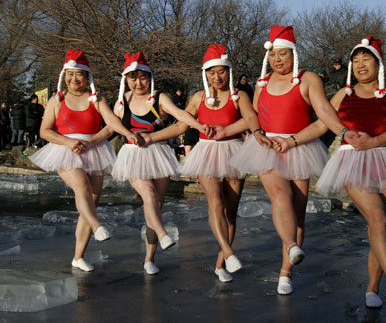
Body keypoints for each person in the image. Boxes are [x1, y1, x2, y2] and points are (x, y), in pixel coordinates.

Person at [230, 26, 359, 295]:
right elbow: (253, 115)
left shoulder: (308, 79)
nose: (278, 60)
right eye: (274, 55)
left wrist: (344, 132)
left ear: (293, 54)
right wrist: (254, 133)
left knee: (299, 212)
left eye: (284, 54)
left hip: (300, 146)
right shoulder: (262, 82)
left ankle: (286, 271)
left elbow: (324, 111)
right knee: (279, 195)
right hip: (267, 147)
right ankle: (290, 246)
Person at [148, 44, 271, 282]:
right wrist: (150, 137)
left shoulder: (239, 96)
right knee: (215, 201)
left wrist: (253, 132)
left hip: (234, 153)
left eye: (221, 71)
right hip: (206, 154)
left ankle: (220, 263)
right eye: (212, 72)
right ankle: (229, 252)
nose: (217, 77)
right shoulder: (198, 97)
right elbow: (180, 125)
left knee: (231, 212)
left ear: (229, 71)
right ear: (205, 74)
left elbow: (250, 118)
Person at [316, 36, 386, 306]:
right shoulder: (345, 94)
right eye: (355, 60)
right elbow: (323, 119)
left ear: (378, 63)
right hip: (352, 161)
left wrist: (374, 142)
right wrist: (291, 140)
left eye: (366, 59)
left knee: (382, 227)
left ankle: (373, 289)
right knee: (376, 217)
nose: (360, 65)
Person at [29, 49, 140, 272]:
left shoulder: (96, 98)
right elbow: (44, 131)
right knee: (82, 186)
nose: (74, 79)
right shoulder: (57, 99)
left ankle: (78, 256)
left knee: (92, 200)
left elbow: (110, 122)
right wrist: (67, 142)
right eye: (70, 74)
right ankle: (97, 225)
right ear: (64, 76)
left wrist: (127, 133)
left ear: (87, 76)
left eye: (78, 74)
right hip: (65, 150)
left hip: (94, 150)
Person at [109, 52, 212, 275]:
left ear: (150, 77)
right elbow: (111, 128)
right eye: (133, 78)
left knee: (155, 207)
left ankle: (149, 258)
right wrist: (87, 143)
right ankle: (164, 235)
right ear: (126, 79)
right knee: (148, 195)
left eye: (142, 77)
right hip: (133, 156)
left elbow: (179, 115)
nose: (138, 83)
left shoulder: (159, 97)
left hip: (159, 155)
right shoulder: (122, 101)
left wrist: (200, 126)